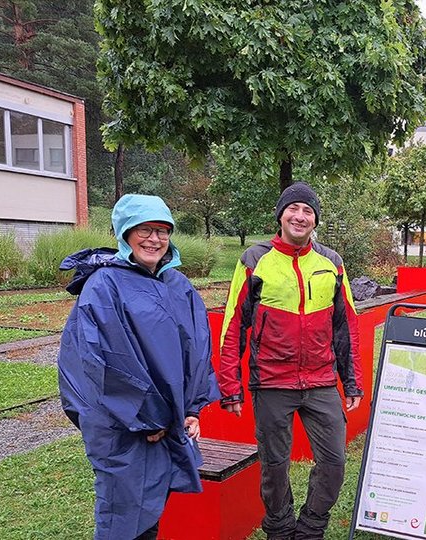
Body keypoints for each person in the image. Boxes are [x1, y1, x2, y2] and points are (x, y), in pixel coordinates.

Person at [58, 194, 220, 540]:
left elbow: (197, 350)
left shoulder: (179, 286)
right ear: (125, 233)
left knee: (152, 509)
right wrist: (146, 417)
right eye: (144, 229)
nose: (154, 239)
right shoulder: (104, 287)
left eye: (163, 231)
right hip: (125, 429)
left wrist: (192, 408)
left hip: (167, 422)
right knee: (123, 517)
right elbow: (98, 366)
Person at [218, 181, 363, 540]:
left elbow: (347, 326)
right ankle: (280, 529)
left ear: (315, 221)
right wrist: (230, 388)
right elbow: (233, 324)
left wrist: (352, 380)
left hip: (321, 381)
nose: (300, 216)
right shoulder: (255, 259)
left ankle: (311, 527)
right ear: (281, 215)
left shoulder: (332, 262)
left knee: (333, 461)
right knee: (275, 466)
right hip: (271, 382)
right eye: (293, 209)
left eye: (308, 211)